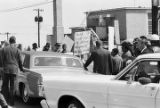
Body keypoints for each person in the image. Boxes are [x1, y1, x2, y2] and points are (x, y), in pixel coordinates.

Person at [1, 36, 24, 106]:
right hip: (14, 70)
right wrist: (21, 69)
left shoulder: (3, 49)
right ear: (15, 42)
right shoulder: (18, 50)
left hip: (5, 70)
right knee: (12, 86)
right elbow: (20, 61)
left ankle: (5, 102)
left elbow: (1, 59)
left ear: (9, 41)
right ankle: (11, 103)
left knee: (5, 86)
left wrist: (2, 67)